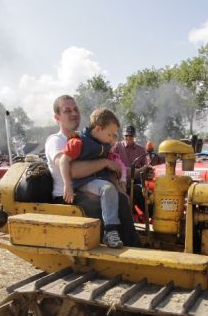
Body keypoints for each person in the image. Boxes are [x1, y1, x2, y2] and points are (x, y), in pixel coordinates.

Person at [45, 95, 139, 246]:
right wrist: (104, 163)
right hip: (68, 195)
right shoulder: (56, 140)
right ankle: (122, 244)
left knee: (123, 197)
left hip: (87, 188)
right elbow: (72, 170)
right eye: (67, 110)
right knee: (111, 202)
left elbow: (110, 164)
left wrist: (120, 184)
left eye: (76, 109)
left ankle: (129, 244)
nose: (73, 113)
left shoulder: (88, 139)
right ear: (57, 117)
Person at [60, 108, 125, 248]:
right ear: (98, 129)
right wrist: (67, 184)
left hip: (96, 179)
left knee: (117, 193)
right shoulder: (78, 142)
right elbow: (63, 161)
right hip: (82, 182)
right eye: (110, 134)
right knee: (107, 189)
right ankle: (110, 231)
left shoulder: (102, 143)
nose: (111, 138)